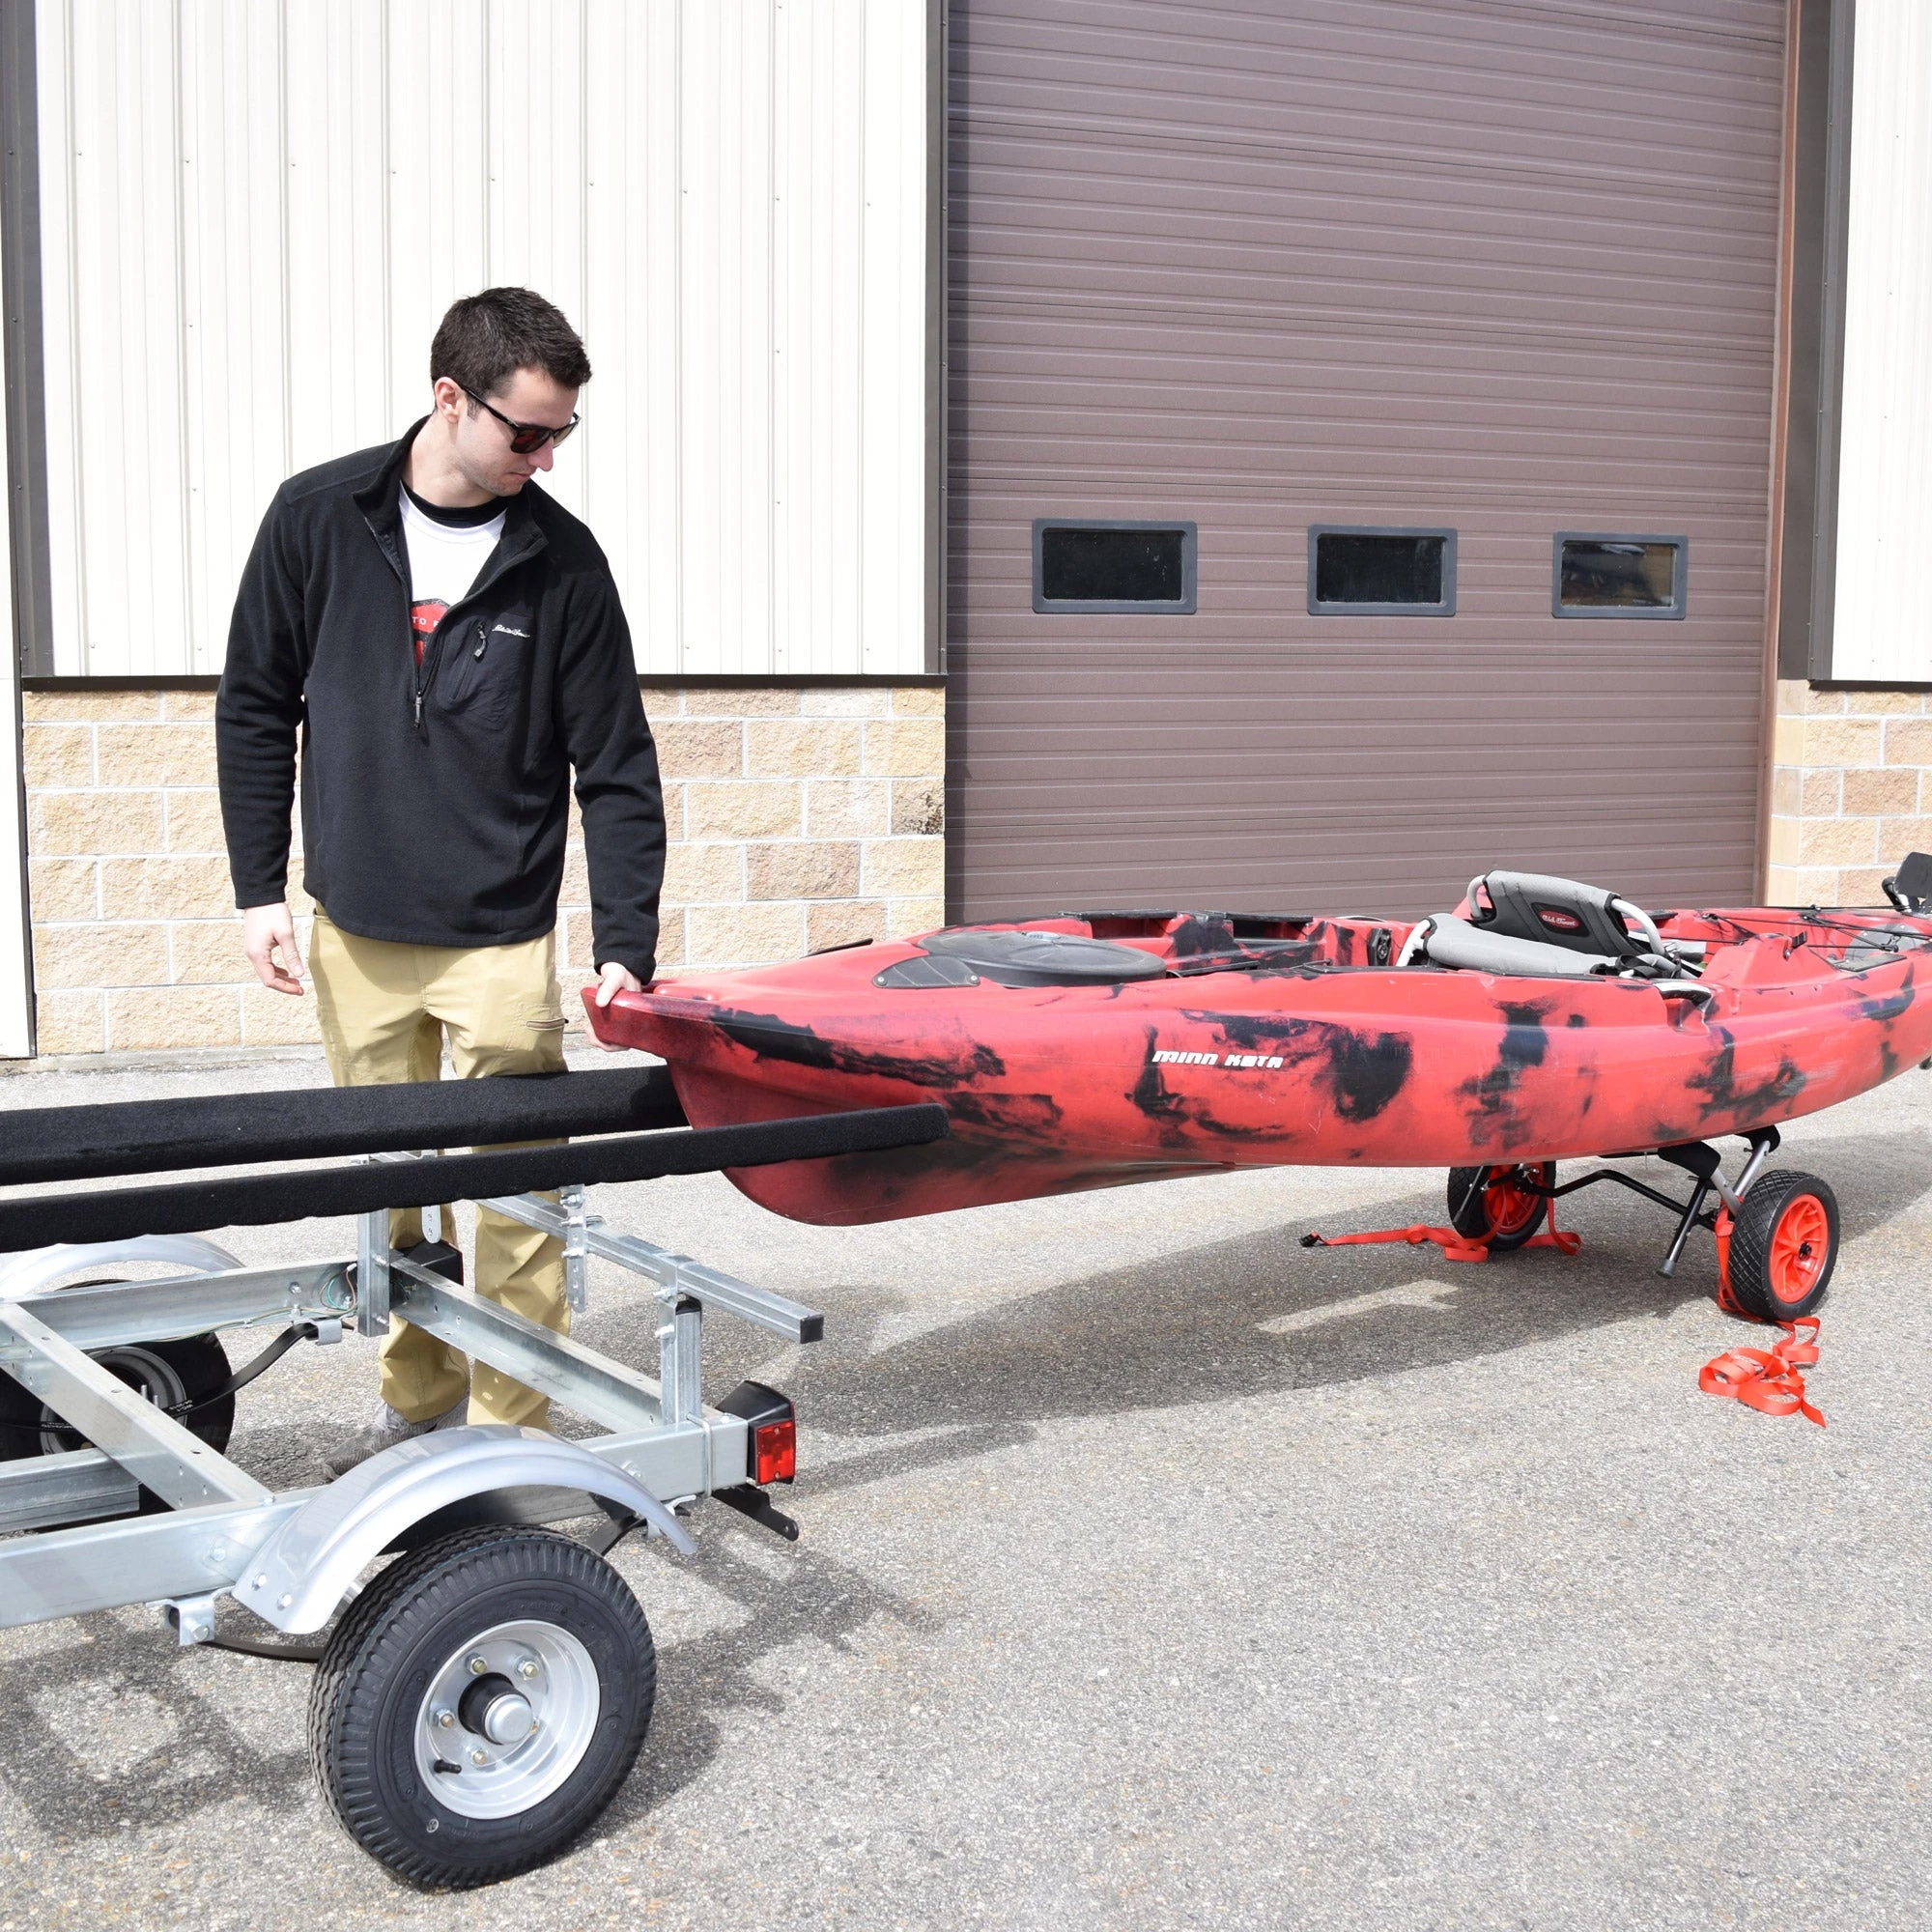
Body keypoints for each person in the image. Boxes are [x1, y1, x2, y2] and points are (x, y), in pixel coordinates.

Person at [216, 286, 665, 1475]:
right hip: (355, 928)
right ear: (450, 398)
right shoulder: (317, 516)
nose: (546, 455)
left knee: (517, 1199)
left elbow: (616, 764)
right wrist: (258, 888)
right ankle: (416, 1409)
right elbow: (255, 705)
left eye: (563, 431)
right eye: (528, 431)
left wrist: (624, 940)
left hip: (499, 937)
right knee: (393, 1190)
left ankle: (512, 1440)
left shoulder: (562, 561)